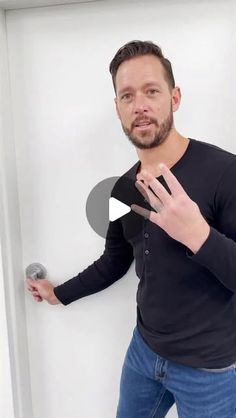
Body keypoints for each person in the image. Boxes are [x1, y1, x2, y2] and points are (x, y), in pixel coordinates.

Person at [26, 40, 236, 417]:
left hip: (211, 371)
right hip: (144, 354)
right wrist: (59, 293)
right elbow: (114, 261)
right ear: (118, 109)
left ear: (174, 98)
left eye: (151, 91)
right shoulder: (121, 188)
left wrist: (197, 235)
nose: (140, 104)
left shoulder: (225, 172)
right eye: (127, 96)